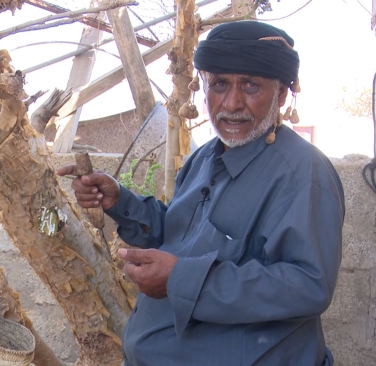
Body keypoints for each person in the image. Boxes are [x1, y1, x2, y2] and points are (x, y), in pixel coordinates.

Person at [57, 21, 345, 365]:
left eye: (250, 85)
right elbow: (181, 236)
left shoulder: (303, 173)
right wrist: (120, 201)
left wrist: (180, 280)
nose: (232, 102)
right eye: (220, 84)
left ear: (281, 95)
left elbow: (307, 285)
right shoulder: (206, 156)